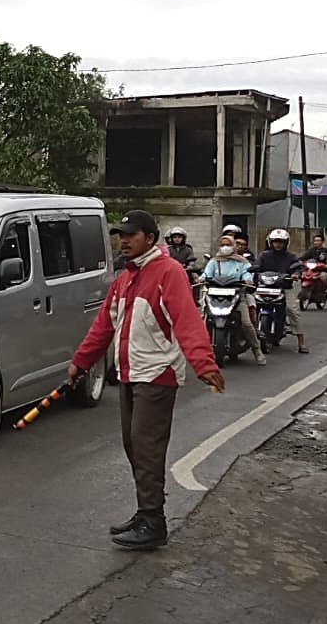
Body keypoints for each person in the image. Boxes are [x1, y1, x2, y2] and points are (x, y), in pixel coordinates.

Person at [68, 211, 223, 551]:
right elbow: (103, 327)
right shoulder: (124, 278)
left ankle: (154, 521)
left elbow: (186, 319)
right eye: (121, 235)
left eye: (131, 235)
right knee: (132, 444)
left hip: (156, 374)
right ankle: (144, 512)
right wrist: (81, 361)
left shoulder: (170, 273)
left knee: (146, 446)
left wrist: (203, 362)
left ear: (149, 238)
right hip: (128, 372)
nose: (123, 241)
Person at [201, 238, 265, 365]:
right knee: (202, 320)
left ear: (233, 246)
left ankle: (257, 350)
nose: (225, 247)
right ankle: (201, 352)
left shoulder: (242, 262)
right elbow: (206, 274)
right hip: (215, 295)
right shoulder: (214, 261)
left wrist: (248, 280)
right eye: (223, 245)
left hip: (237, 295)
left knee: (246, 323)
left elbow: (247, 274)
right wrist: (200, 279)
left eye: (228, 245)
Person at [256, 228, 308, 354]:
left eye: (281, 242)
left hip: (284, 288)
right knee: (250, 307)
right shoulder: (264, 255)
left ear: (286, 243)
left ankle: (301, 342)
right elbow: (256, 266)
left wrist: (296, 274)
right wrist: (252, 271)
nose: (278, 244)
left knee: (292, 310)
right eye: (275, 241)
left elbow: (297, 268)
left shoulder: (291, 257)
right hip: (265, 288)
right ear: (270, 242)